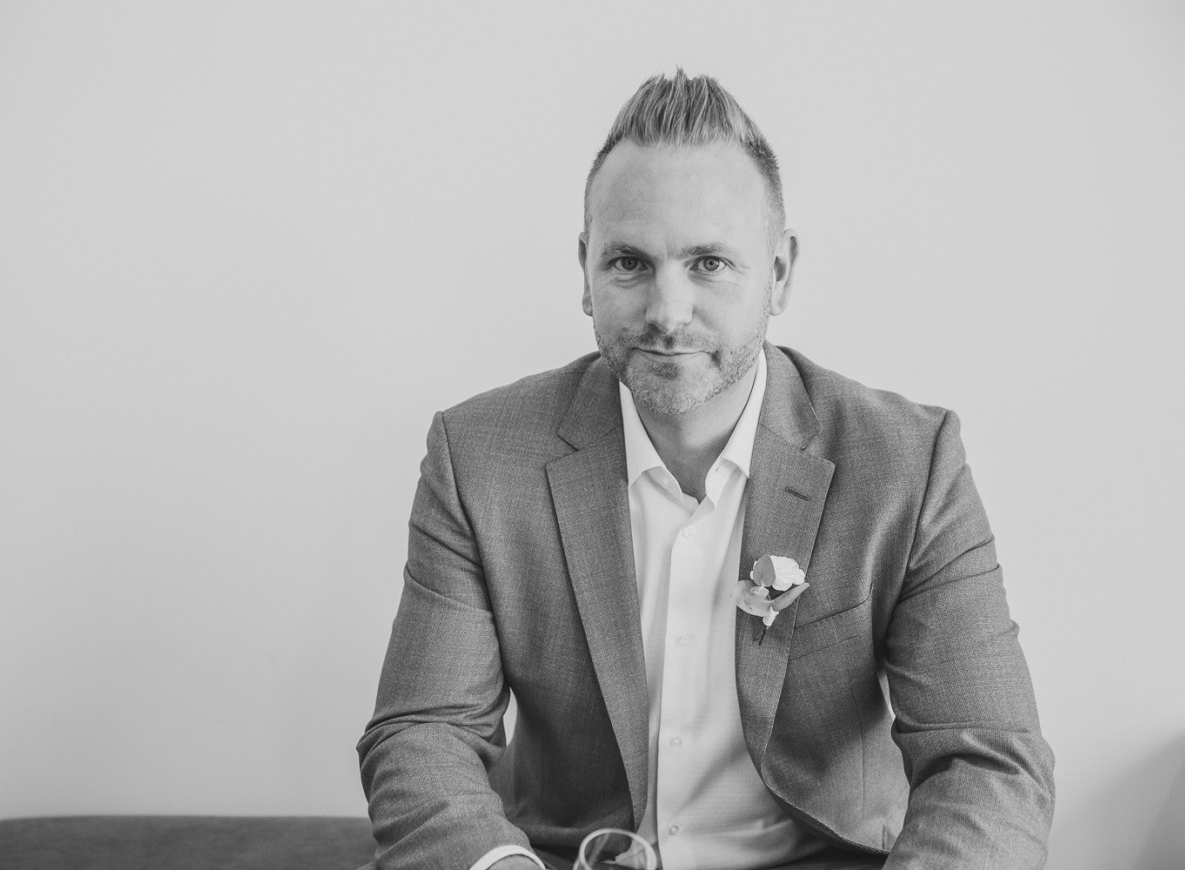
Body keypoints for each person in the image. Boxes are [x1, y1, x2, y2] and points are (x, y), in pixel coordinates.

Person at [356, 70, 1054, 870]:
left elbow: (988, 760)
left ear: (779, 273)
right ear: (585, 271)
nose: (667, 312)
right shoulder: (477, 456)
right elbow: (424, 732)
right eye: (629, 262)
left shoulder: (908, 463)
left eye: (710, 263)